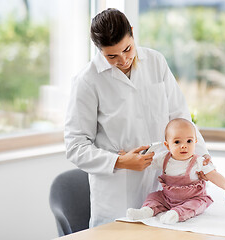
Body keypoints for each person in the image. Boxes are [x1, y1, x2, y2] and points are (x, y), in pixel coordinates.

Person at [64, 8, 212, 228]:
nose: (123, 59)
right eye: (111, 56)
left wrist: (204, 165)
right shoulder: (87, 81)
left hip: (164, 186)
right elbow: (75, 146)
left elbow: (180, 117)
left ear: (132, 33)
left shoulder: (155, 62)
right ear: (99, 50)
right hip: (116, 193)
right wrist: (120, 161)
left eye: (127, 49)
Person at [126, 118, 225, 224]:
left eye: (189, 141)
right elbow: (146, 162)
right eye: (177, 142)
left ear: (195, 142)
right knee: (154, 196)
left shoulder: (198, 162)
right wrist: (128, 157)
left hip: (192, 198)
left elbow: (213, 175)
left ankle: (176, 214)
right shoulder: (164, 158)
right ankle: (146, 211)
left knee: (196, 205)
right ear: (167, 145)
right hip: (167, 197)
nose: (184, 146)